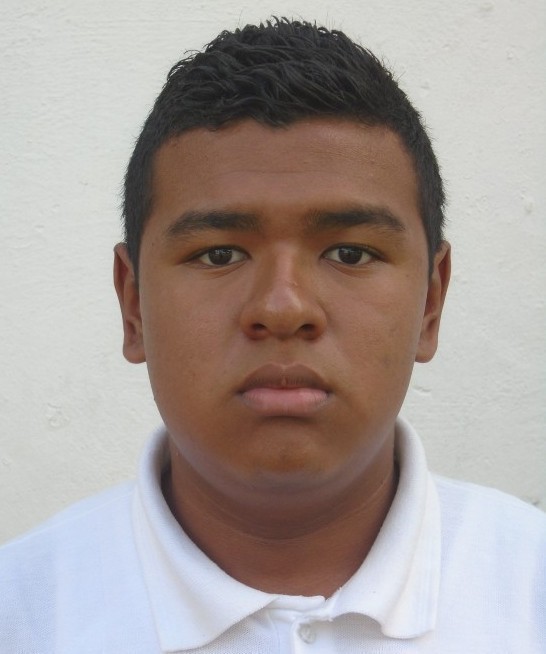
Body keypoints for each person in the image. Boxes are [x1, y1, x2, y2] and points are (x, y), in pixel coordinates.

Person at [1, 17, 544, 653]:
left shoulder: (529, 591)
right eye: (219, 254)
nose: (283, 308)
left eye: (349, 253)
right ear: (133, 305)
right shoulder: (23, 615)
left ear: (431, 302)